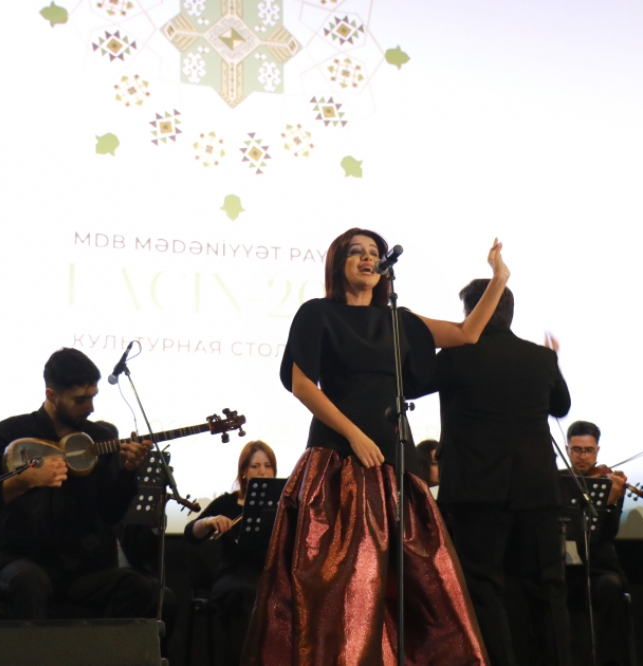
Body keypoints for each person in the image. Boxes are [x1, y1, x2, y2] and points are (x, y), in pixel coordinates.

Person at [242, 228, 509, 666]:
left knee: (419, 586)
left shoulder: (398, 320)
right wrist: (354, 435)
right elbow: (301, 383)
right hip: (337, 460)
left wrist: (499, 278)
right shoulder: (317, 314)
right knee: (341, 586)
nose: (367, 258)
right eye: (356, 252)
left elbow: (466, 333)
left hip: (394, 458)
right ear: (338, 264)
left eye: (374, 253)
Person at [426, 279, 571, 666]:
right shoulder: (540, 358)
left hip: (476, 491)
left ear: (472, 312)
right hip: (537, 490)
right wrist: (551, 362)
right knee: (547, 588)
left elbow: (412, 385)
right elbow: (560, 407)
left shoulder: (455, 356)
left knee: (483, 589)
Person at [0, 347, 160, 620]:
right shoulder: (10, 432)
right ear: (51, 395)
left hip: (83, 569)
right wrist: (24, 481)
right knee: (30, 581)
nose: (90, 407)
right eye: (80, 400)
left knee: (140, 588)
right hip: (22, 561)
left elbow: (111, 513)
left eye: (93, 397)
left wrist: (128, 471)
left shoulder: (98, 437)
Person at [184, 440, 277, 666]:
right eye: (255, 466)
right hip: (234, 576)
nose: (262, 472)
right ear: (244, 472)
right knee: (246, 596)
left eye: (268, 466)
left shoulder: (283, 504)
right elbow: (191, 533)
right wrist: (209, 521)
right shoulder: (227, 502)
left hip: (269, 576)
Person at [561, 420, 628, 666]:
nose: (582, 456)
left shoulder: (609, 483)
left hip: (599, 565)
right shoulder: (557, 481)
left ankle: (609, 661)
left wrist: (610, 504)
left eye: (588, 450)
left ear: (597, 451)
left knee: (610, 587)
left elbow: (608, 534)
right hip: (563, 565)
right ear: (567, 450)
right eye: (576, 450)